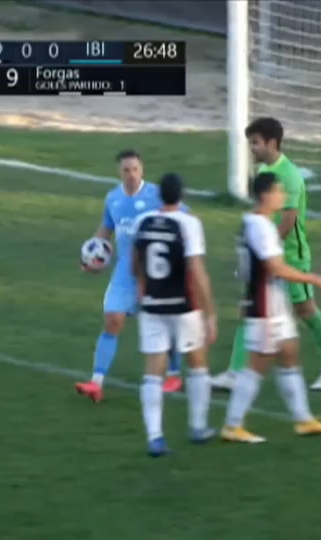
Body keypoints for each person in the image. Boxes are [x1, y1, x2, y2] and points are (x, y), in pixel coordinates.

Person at [212, 117, 321, 391]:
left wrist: (265, 251)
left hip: (291, 256)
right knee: (251, 309)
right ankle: (235, 372)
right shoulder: (263, 171)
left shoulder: (290, 175)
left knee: (306, 311)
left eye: (256, 143)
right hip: (268, 256)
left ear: (272, 143)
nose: (252, 148)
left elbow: (288, 221)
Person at [221, 172, 321, 443]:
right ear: (265, 195)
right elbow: (275, 267)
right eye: (278, 191)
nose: (282, 196)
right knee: (257, 365)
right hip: (265, 307)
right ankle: (232, 424)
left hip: (271, 304)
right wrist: (314, 279)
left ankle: (303, 419)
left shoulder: (252, 222)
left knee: (289, 352)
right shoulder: (261, 227)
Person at [75, 150, 182, 403]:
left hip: (154, 271)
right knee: (112, 320)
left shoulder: (156, 195)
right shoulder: (113, 198)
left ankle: (174, 374)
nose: (132, 174)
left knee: (164, 324)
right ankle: (96, 383)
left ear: (141, 169)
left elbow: (182, 216)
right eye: (126, 170)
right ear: (119, 172)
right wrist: (91, 257)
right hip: (125, 270)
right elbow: (106, 228)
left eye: (135, 169)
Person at [132, 173, 218, 456]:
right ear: (182, 195)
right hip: (184, 306)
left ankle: (154, 437)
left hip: (152, 304)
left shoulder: (142, 222)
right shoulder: (189, 223)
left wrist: (142, 290)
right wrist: (210, 313)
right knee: (197, 363)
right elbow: (197, 271)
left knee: (153, 371)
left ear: (159, 195)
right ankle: (198, 427)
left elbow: (135, 265)